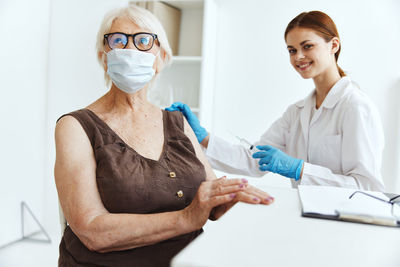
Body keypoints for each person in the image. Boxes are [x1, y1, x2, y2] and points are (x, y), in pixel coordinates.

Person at [54, 5, 273, 267]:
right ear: (104, 56)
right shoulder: (75, 126)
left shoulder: (177, 122)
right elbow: (91, 230)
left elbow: (208, 198)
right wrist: (187, 218)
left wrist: (228, 196)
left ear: (161, 58)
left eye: (144, 41)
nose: (130, 50)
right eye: (118, 40)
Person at [167, 11, 385, 192]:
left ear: (334, 45)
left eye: (307, 46)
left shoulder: (355, 107)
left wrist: (300, 170)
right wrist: (204, 138)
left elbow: (366, 187)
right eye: (292, 50)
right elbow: (253, 160)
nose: (298, 56)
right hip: (304, 216)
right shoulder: (297, 112)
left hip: (344, 227)